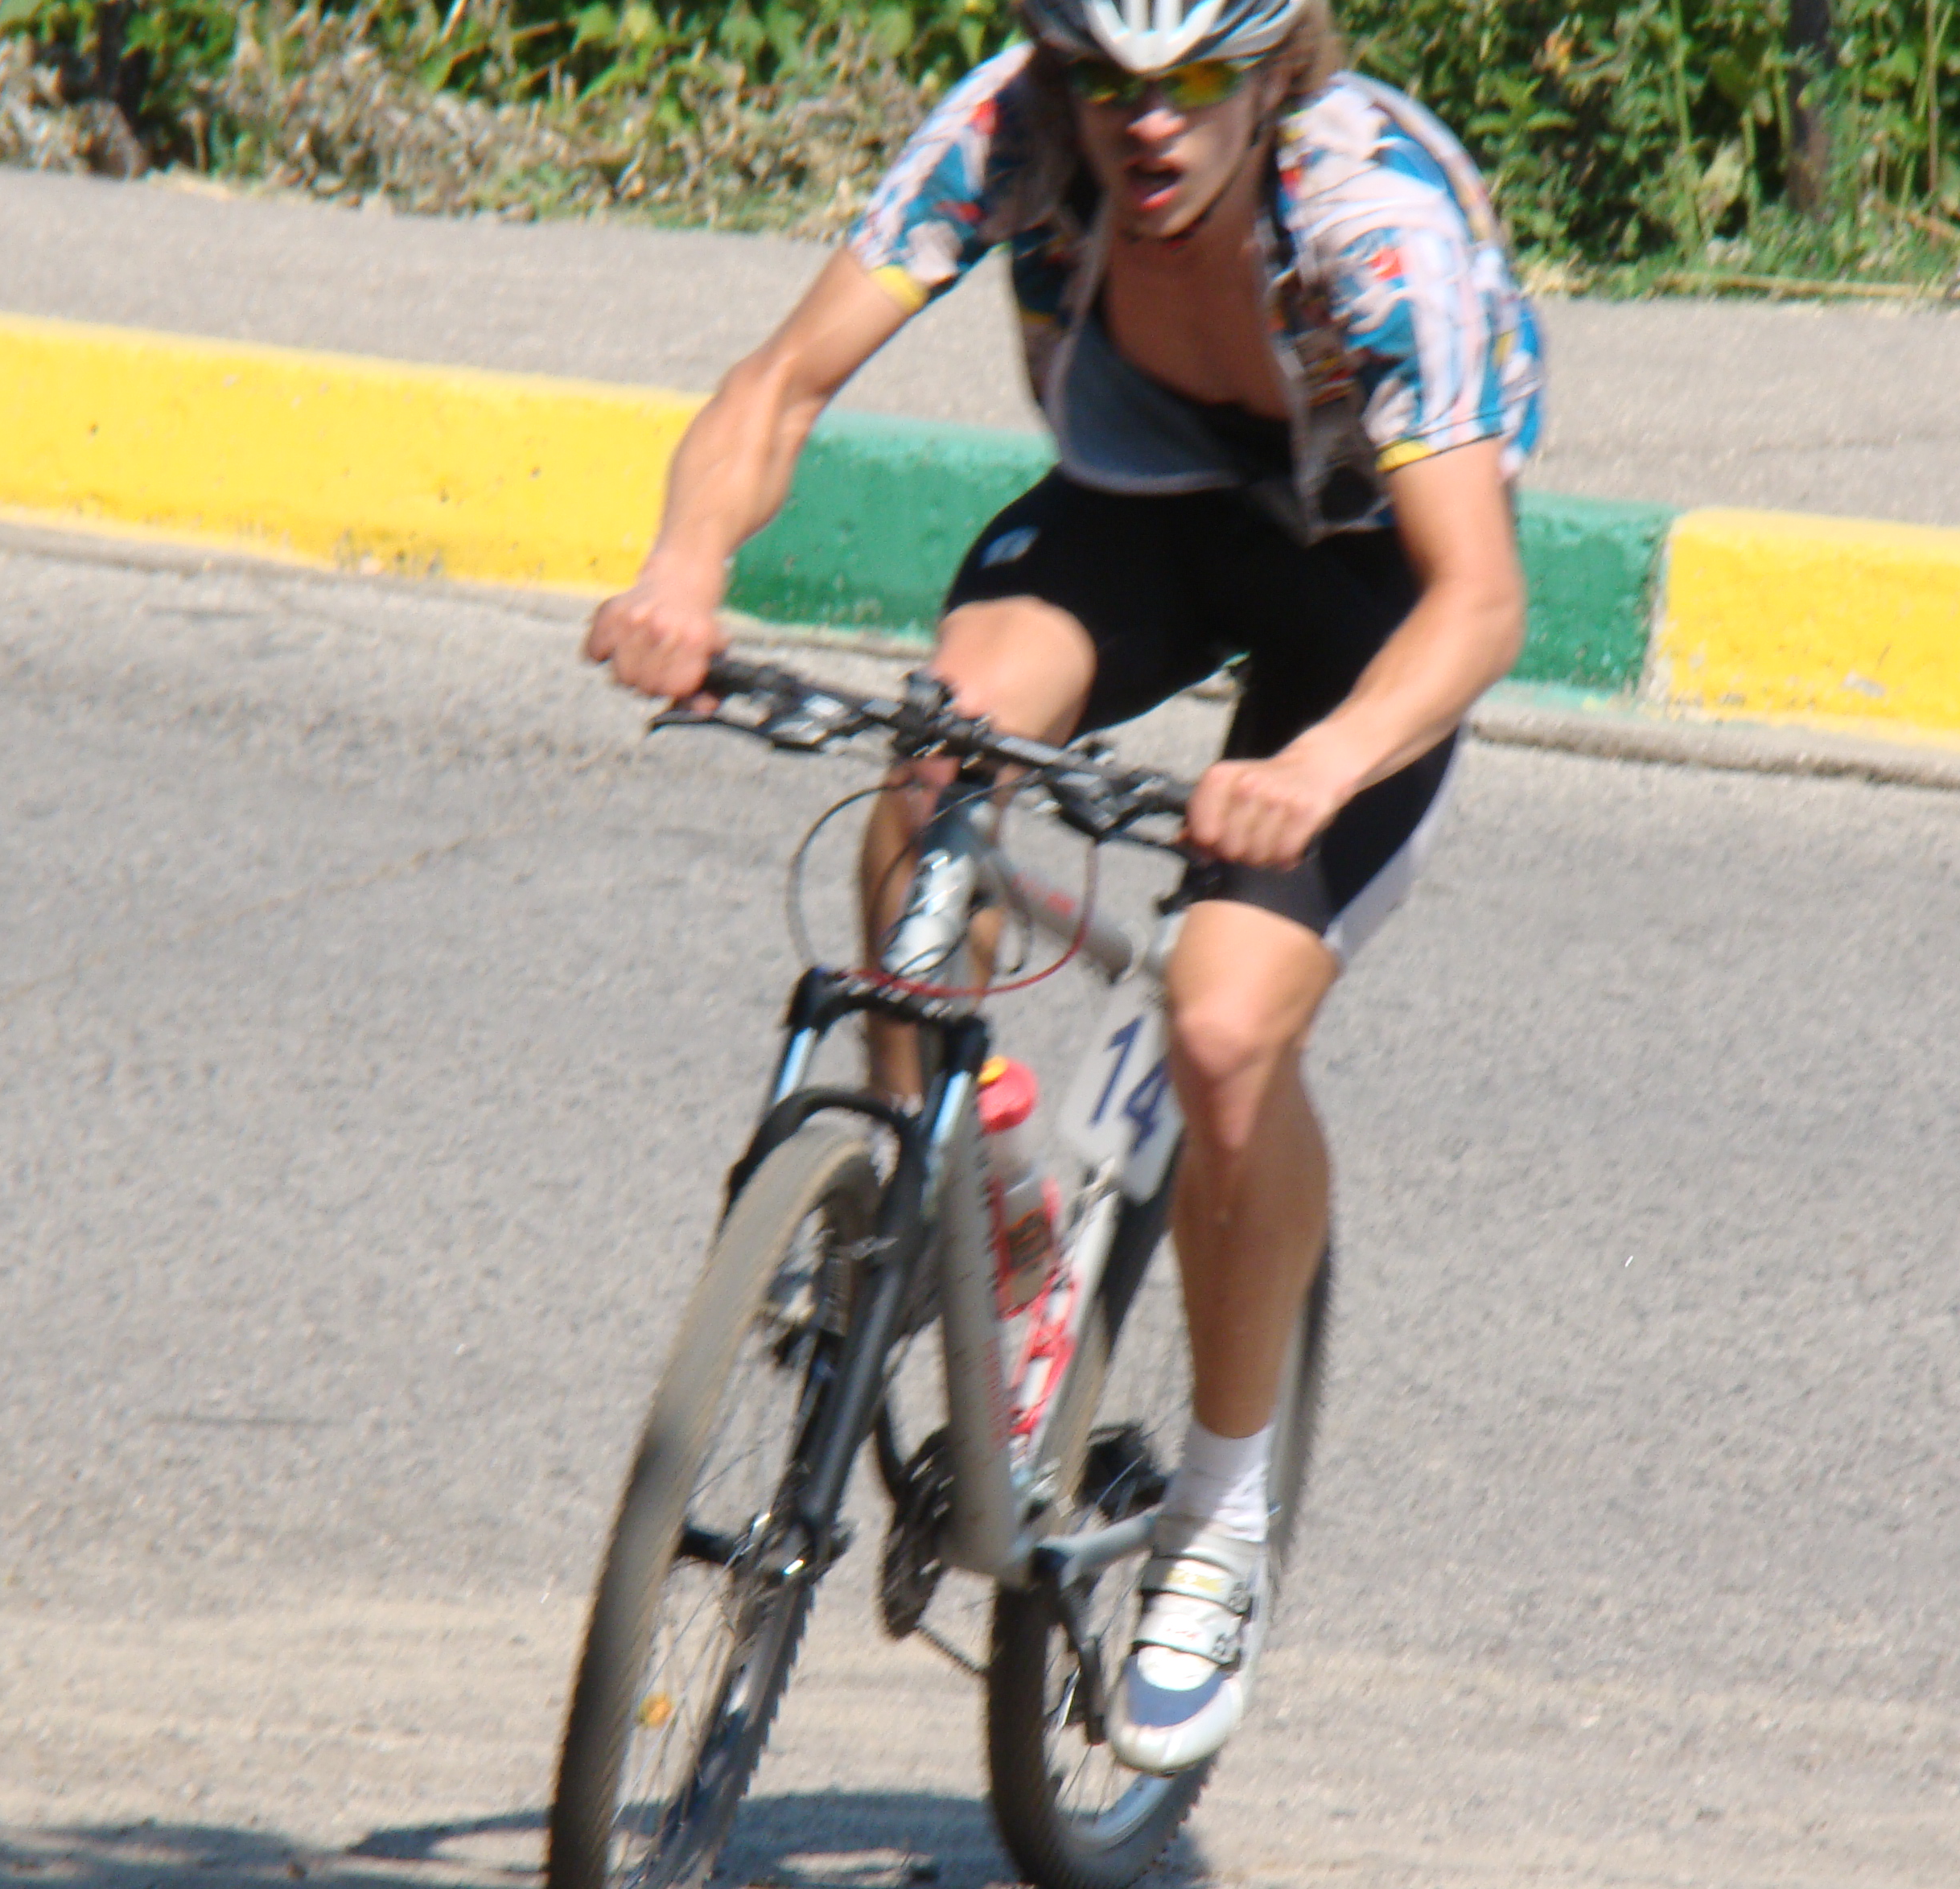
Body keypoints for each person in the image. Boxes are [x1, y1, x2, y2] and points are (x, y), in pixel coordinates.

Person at [587, 0, 1542, 1775]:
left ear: (1274, 73)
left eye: (1194, 84)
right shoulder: (1017, 125)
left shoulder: (1370, 220)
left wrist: (1315, 768)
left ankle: (1220, 1518)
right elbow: (781, 381)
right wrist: (683, 570)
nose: (1144, 125)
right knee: (932, 769)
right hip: (1143, 515)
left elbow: (1479, 601)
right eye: (1109, 83)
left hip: (1370, 575)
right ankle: (954, 1218)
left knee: (1225, 1030)